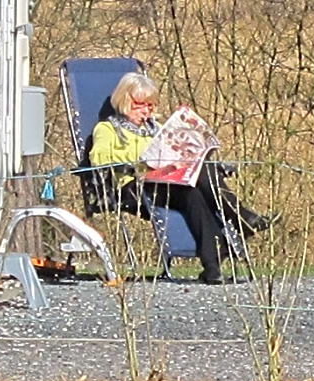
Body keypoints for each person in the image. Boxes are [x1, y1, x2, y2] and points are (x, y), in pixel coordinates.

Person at [88, 66, 237, 281]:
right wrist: (141, 160)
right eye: (140, 105)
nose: (146, 111)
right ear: (125, 100)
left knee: (195, 190)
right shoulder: (108, 129)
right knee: (194, 187)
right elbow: (99, 158)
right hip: (133, 186)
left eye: (151, 105)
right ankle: (239, 216)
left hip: (167, 181)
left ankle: (212, 265)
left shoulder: (156, 128)